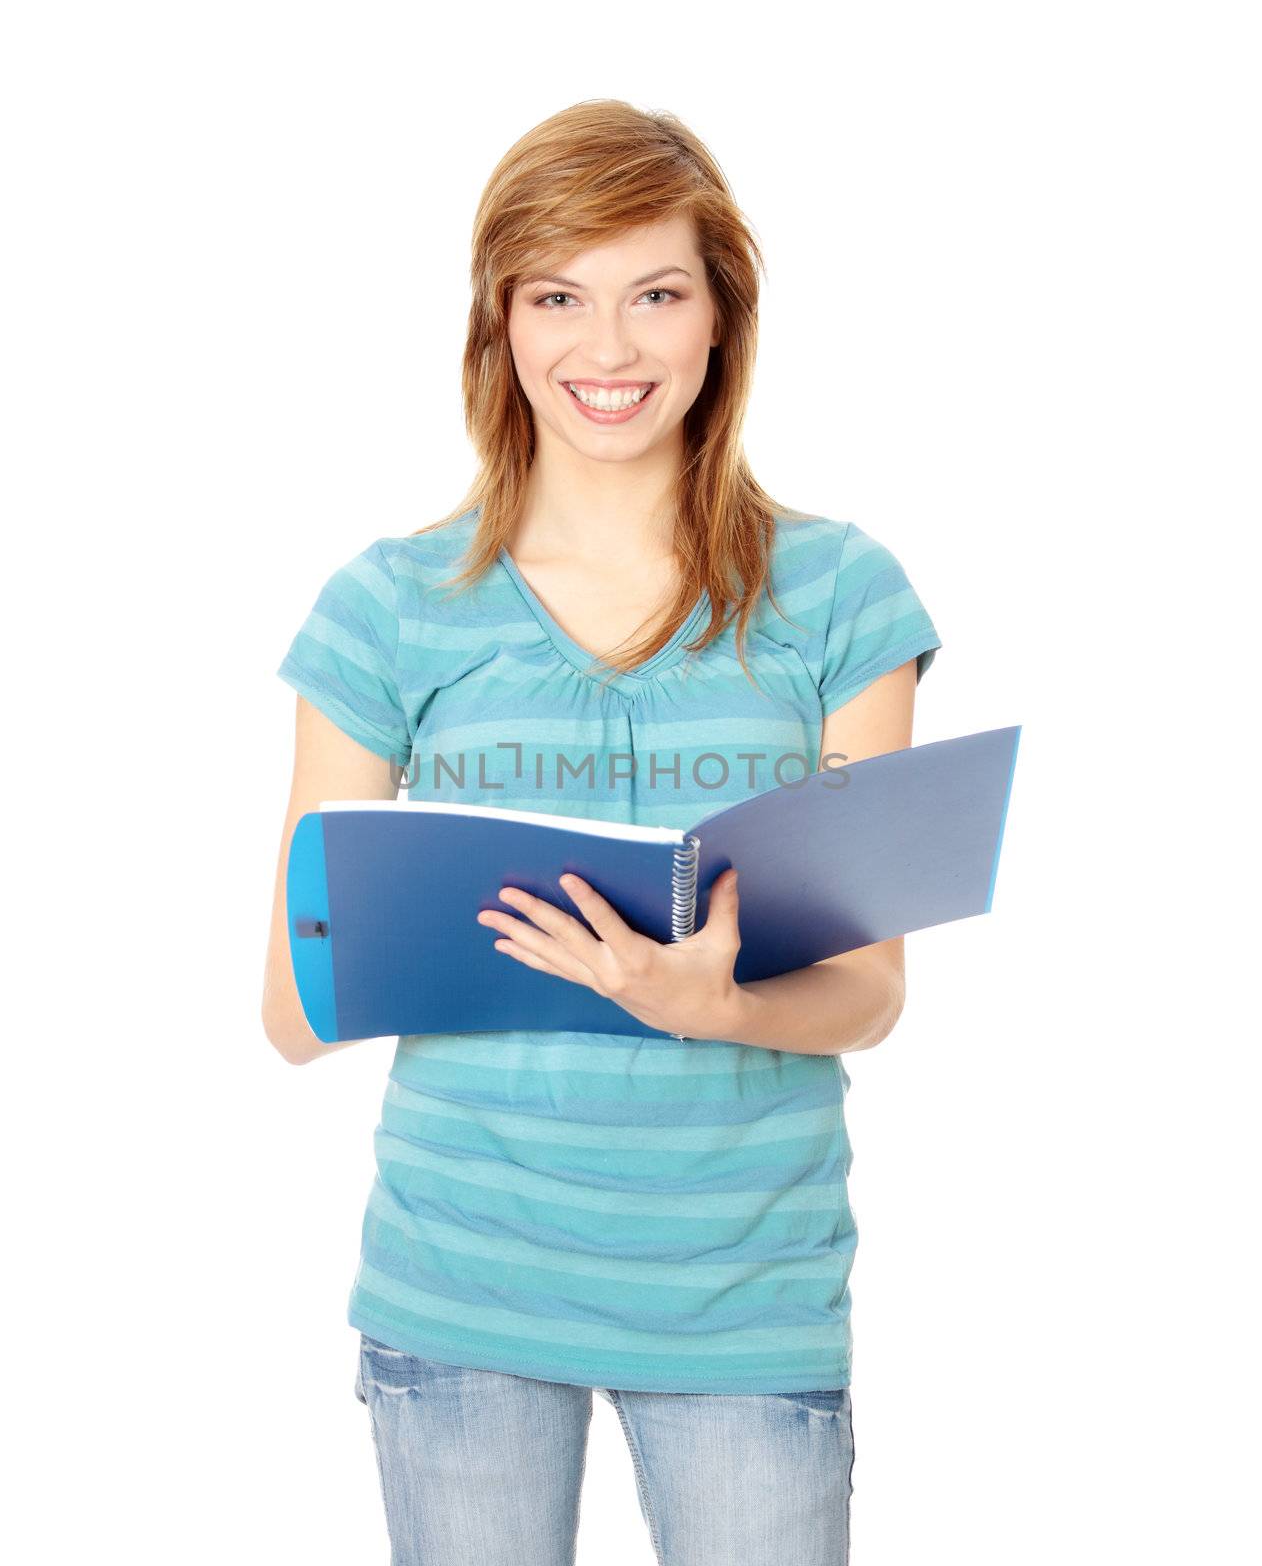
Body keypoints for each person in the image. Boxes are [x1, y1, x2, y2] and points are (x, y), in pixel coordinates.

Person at [260, 99, 941, 1566]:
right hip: (461, 1293)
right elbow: (291, 1013)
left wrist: (715, 1002)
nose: (608, 349)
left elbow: (872, 995)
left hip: (745, 1301)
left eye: (656, 294)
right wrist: (415, 932)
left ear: (719, 322)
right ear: (500, 325)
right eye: (557, 298)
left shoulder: (840, 595)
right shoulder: (389, 607)